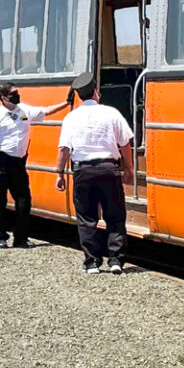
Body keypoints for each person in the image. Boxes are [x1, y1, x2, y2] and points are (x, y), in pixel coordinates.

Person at [54, 78, 134, 275]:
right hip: (109, 169)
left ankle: (92, 262)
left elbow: (64, 149)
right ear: (96, 92)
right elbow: (125, 144)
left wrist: (60, 173)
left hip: (83, 171)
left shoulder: (71, 117)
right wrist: (129, 169)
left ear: (79, 96)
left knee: (86, 217)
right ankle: (116, 260)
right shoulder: (111, 113)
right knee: (115, 215)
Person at [0, 82, 72, 249]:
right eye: (13, 94)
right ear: (3, 98)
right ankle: (0, 236)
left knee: (24, 200)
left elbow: (45, 111)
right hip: (1, 160)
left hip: (18, 162)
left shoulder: (24, 110)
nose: (17, 95)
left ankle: (21, 238)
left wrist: (66, 103)